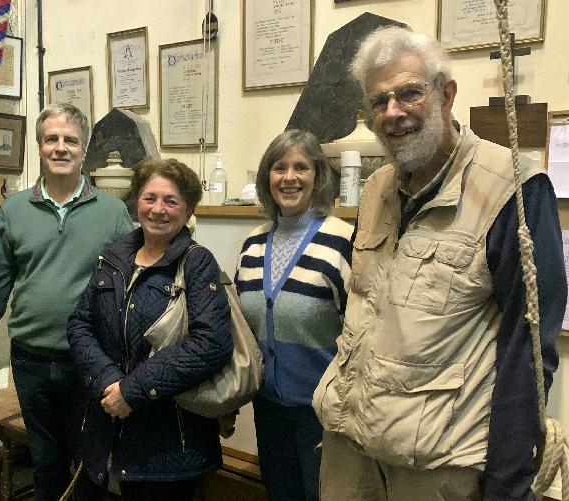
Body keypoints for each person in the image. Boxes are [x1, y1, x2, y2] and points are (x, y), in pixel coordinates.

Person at [313, 26, 567, 500]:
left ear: (446, 94)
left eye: (409, 93)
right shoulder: (375, 189)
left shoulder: (513, 190)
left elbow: (529, 354)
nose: (393, 112)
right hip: (350, 453)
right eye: (379, 101)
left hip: (436, 470)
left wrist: (508, 486)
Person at [0, 103, 133, 501]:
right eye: (51, 140)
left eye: (70, 140)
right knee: (45, 463)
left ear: (84, 148)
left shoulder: (114, 214)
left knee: (87, 466)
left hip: (89, 361)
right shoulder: (13, 211)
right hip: (30, 360)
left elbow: (128, 289)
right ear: (40, 146)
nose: (60, 148)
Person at [67, 158, 233, 501]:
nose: (158, 209)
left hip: (169, 442)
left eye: (171, 201)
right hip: (106, 427)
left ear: (187, 211)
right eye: (150, 198)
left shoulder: (198, 263)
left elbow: (210, 343)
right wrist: (109, 382)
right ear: (136, 202)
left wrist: (132, 390)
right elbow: (80, 324)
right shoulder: (112, 259)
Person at [234, 129, 352, 501]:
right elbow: (242, 329)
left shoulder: (344, 241)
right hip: (268, 408)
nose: (289, 177)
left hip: (324, 415)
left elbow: (362, 334)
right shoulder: (252, 244)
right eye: (279, 167)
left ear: (318, 176)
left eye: (301, 167)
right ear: (267, 177)